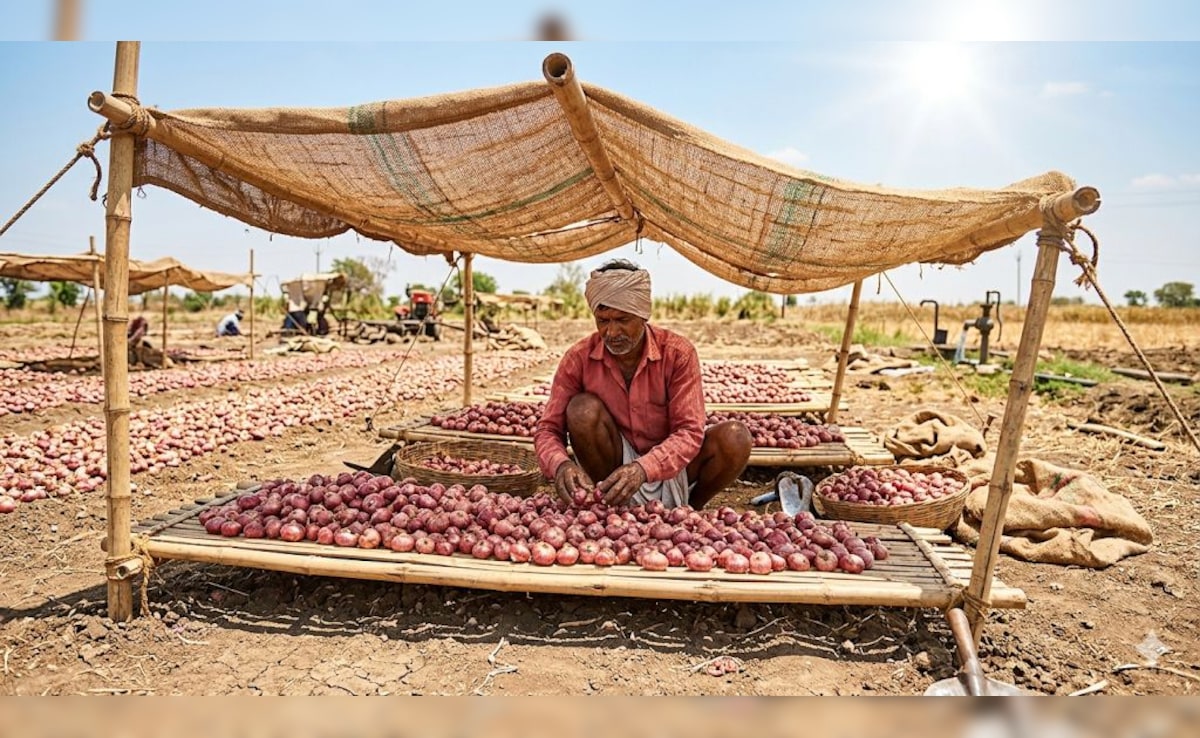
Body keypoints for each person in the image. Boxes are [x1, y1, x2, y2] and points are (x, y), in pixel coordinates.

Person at [533, 259, 752, 510]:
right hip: (613, 465)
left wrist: (642, 468)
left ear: (643, 315)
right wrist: (560, 464)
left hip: (672, 465)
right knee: (582, 409)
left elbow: (690, 431)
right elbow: (548, 429)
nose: (612, 332)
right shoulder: (579, 358)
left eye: (622, 319)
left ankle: (691, 508)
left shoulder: (678, 353)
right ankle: (611, 504)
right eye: (603, 320)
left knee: (736, 437)